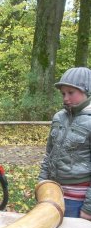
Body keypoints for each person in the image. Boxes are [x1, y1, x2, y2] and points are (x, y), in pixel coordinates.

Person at [39, 67, 91, 220]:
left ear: (86, 91)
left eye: (71, 93)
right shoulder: (59, 117)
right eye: (63, 93)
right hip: (53, 191)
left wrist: (88, 208)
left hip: (78, 198)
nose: (65, 98)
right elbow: (49, 154)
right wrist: (41, 183)